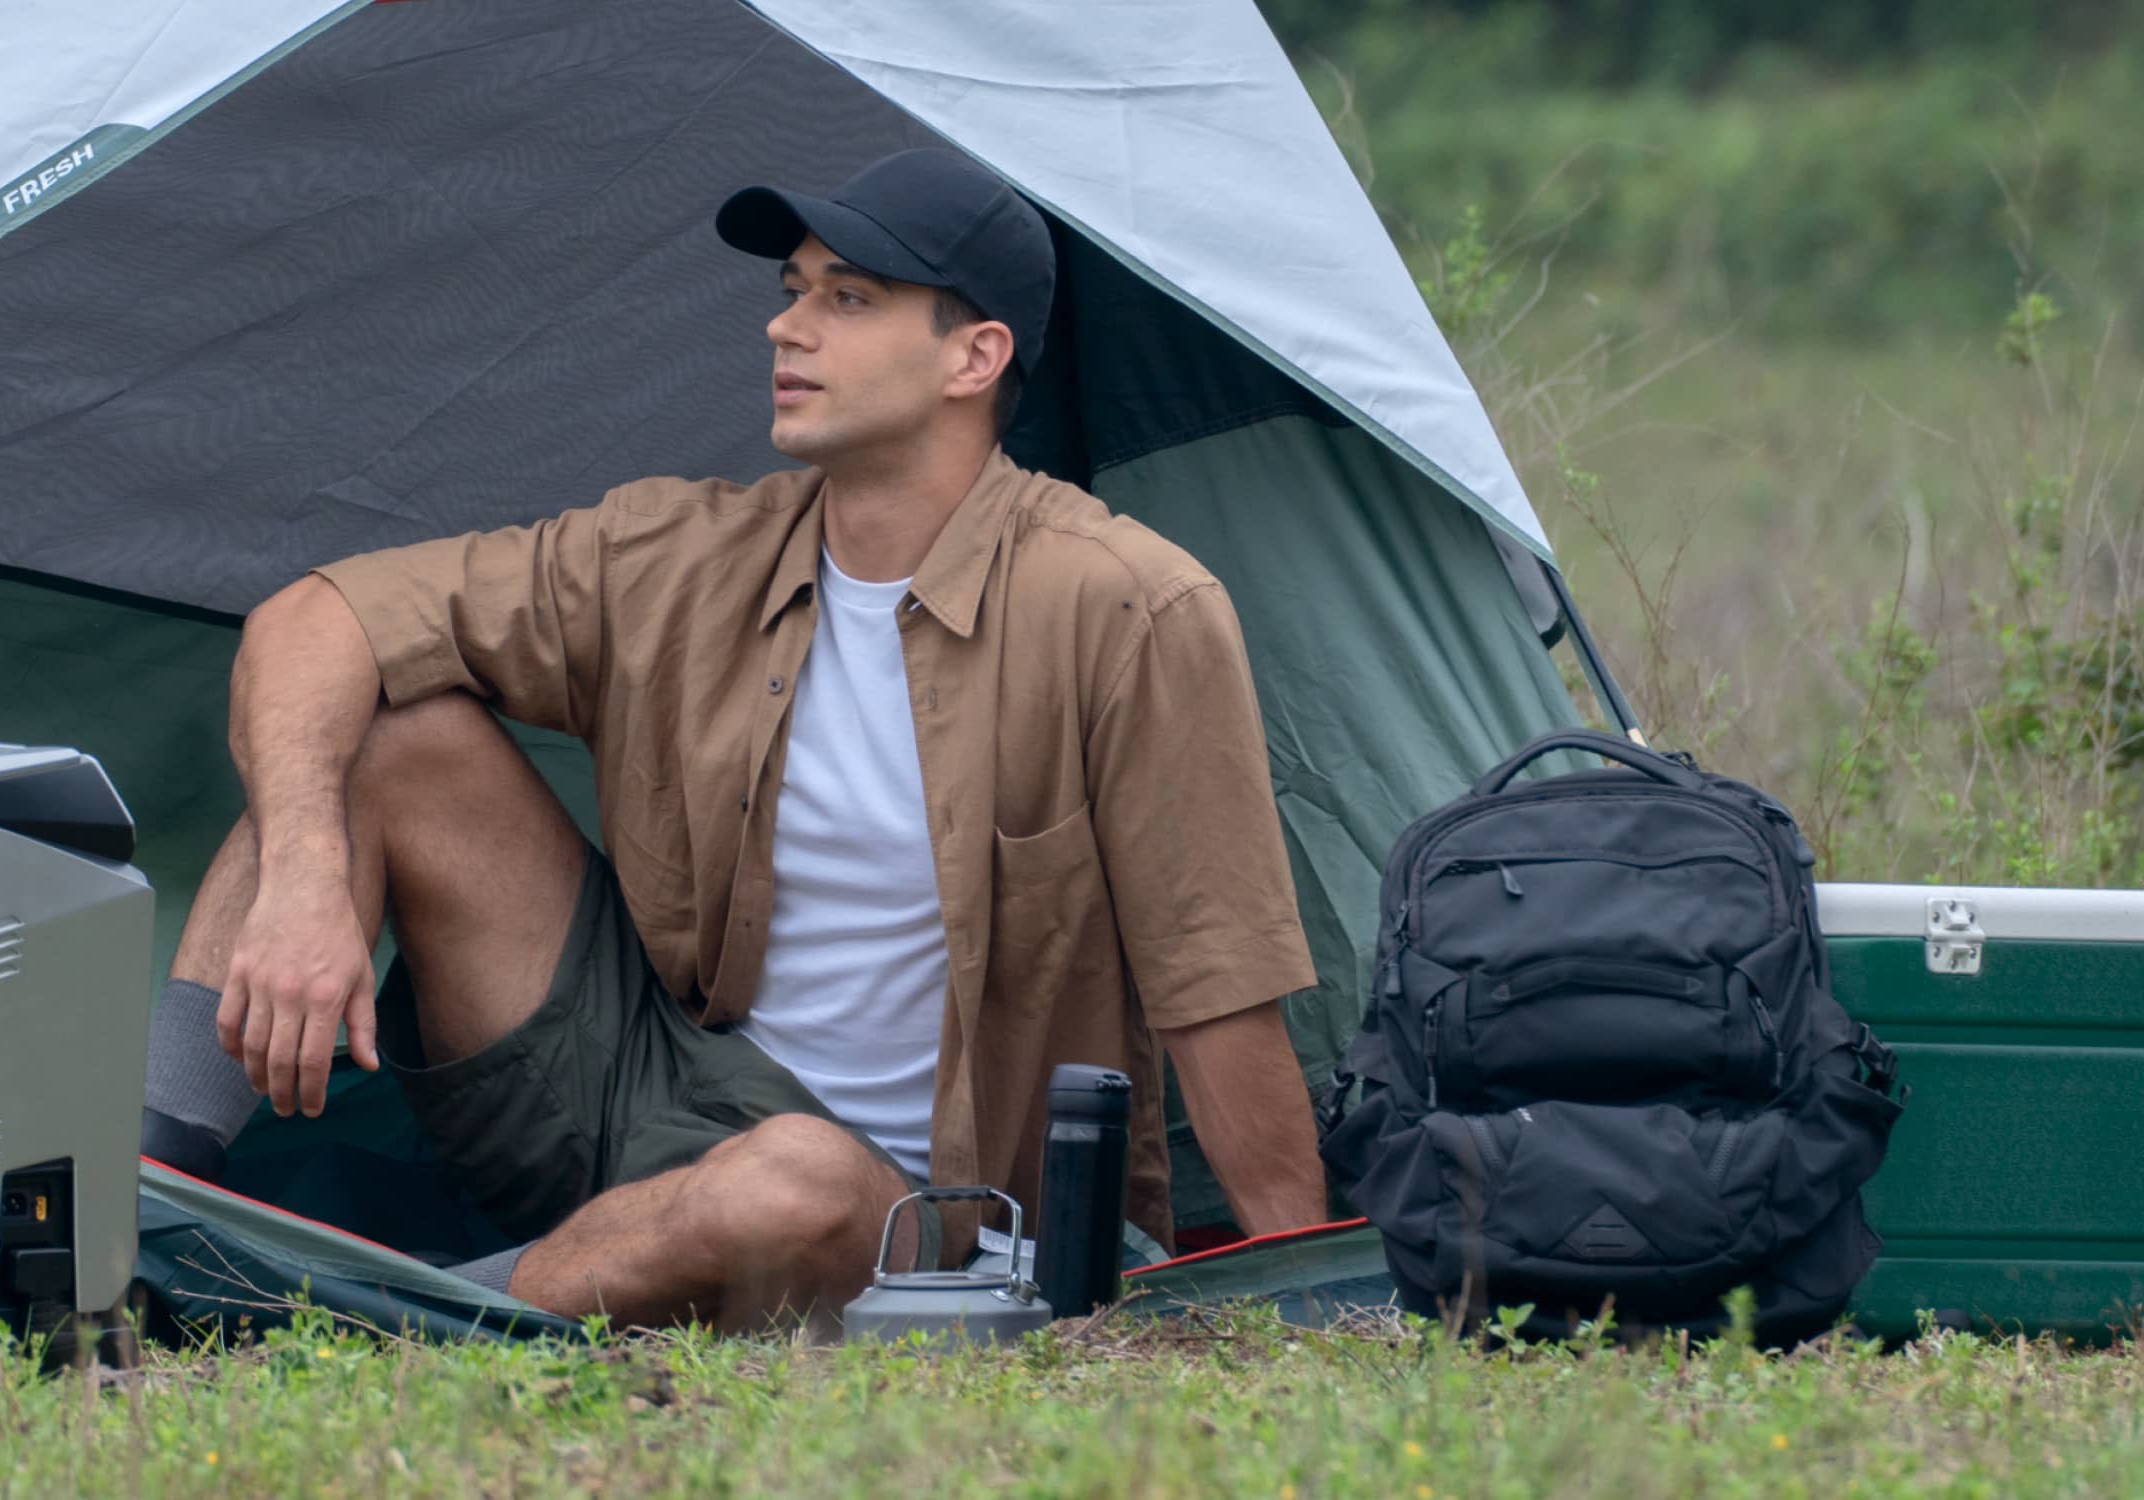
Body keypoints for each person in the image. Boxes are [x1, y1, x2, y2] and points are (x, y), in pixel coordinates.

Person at [161, 148, 1339, 1333]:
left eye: (849, 299)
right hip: (648, 1091)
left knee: (796, 1176)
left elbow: (1216, 984)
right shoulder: (687, 554)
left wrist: (1304, 1292)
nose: (788, 329)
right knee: (369, 731)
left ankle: (330, 1338)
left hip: (927, 1217)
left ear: (973, 358)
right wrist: (308, 876)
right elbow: (317, 615)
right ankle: (135, 1217)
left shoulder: (1128, 606)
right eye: (791, 290)